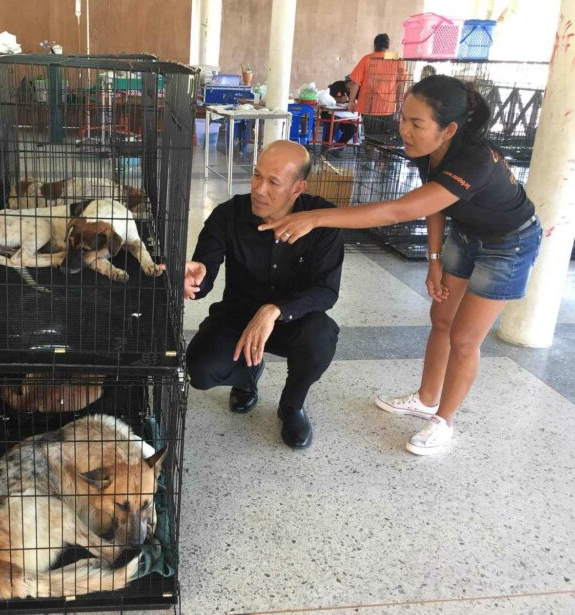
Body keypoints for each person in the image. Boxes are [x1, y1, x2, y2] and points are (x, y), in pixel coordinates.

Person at [260, 75, 543, 456]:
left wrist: (316, 218)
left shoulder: (474, 160)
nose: (404, 130)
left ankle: (444, 420)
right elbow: (435, 206)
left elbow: (400, 209)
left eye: (416, 123)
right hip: (466, 235)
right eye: (404, 119)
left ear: (449, 130)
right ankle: (427, 397)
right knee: (441, 319)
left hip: (509, 244)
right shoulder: (431, 152)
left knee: (463, 338)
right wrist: (434, 259)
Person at [184, 140, 343, 449]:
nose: (259, 189)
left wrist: (275, 310)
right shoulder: (228, 215)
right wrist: (195, 276)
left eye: (273, 182)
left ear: (298, 188)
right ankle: (247, 377)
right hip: (238, 317)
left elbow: (326, 291)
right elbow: (205, 271)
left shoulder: (322, 220)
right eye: (257, 176)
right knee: (200, 370)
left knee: (321, 336)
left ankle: (291, 405)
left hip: (294, 321)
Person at [347, 33, 406, 142]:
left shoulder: (367, 58)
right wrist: (399, 103)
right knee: (384, 139)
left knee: (370, 138)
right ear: (388, 45)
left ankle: (369, 157)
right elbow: (401, 83)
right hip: (388, 107)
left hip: (369, 107)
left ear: (375, 45)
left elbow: (355, 82)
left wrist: (351, 101)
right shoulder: (395, 58)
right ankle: (382, 158)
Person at [320, 80, 357, 145]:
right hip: (328, 112)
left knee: (352, 129)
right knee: (334, 123)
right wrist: (339, 99)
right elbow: (329, 98)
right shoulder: (338, 85)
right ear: (349, 83)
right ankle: (325, 147)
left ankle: (337, 148)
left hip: (342, 115)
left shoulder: (353, 91)